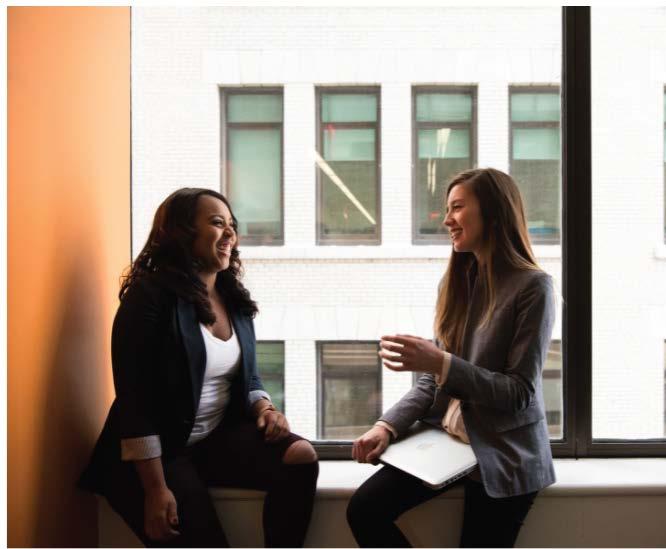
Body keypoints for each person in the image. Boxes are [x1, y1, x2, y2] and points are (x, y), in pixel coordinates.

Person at [80, 188, 318, 548]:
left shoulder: (232, 298)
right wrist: (156, 490)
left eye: (232, 226)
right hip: (156, 455)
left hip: (208, 441)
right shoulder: (149, 297)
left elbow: (247, 375)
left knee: (300, 456)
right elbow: (135, 402)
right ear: (181, 232)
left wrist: (264, 407)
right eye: (217, 223)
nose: (230, 235)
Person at [346, 168, 556, 548]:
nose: (446, 220)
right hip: (450, 441)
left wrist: (440, 363)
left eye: (457, 208)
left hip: (505, 451)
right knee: (363, 509)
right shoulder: (456, 282)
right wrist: (386, 426)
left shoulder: (533, 287)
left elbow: (518, 393)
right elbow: (433, 380)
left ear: (493, 212)